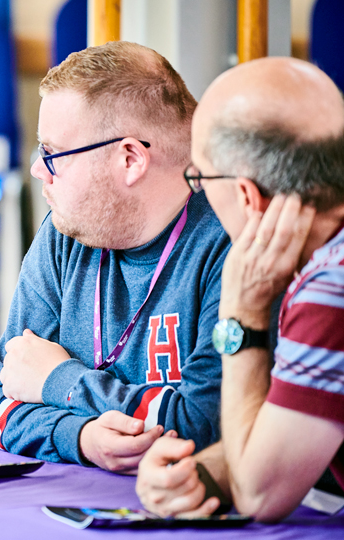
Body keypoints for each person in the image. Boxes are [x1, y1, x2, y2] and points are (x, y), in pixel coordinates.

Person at [0, 41, 231, 473]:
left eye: (52, 154)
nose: (37, 171)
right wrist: (80, 437)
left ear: (130, 159)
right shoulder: (66, 233)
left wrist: (60, 381)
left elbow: (205, 424)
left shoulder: (228, 243)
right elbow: (4, 399)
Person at [136, 57, 344, 522]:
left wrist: (240, 317)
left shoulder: (329, 291)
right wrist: (209, 467)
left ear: (248, 196)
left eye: (201, 179)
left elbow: (260, 497)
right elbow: (304, 437)